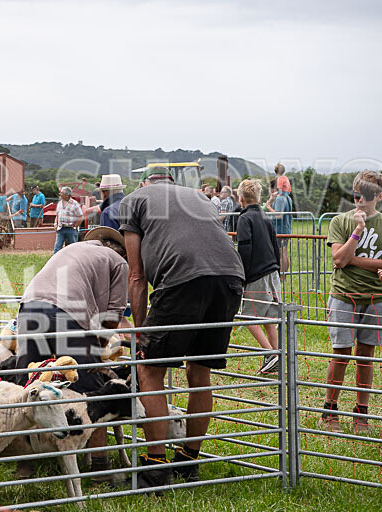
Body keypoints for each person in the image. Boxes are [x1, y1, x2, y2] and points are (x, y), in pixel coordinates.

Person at [119, 166, 244, 491]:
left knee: (149, 371)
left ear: (145, 183)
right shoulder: (201, 198)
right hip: (231, 278)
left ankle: (155, 467)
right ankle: (188, 459)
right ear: (173, 183)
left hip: (181, 280)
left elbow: (136, 275)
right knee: (199, 373)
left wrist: (140, 331)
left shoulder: (133, 199)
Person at [2, 227, 129, 479]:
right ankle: (100, 465)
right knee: (91, 386)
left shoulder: (70, 249)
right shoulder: (119, 263)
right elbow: (114, 316)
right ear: (121, 251)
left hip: (29, 308)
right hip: (68, 314)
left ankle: (24, 462)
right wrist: (101, 347)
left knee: (32, 383)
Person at [319, 170, 382, 434]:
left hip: (376, 298)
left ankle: (361, 414)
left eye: (368, 197)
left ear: (381, 196)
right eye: (358, 196)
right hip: (344, 295)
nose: (361, 202)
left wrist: (354, 260)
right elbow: (338, 260)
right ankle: (330, 411)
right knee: (341, 354)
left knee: (366, 356)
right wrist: (358, 231)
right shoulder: (340, 221)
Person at [236, 179, 282, 375]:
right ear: (259, 197)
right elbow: (275, 245)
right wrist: (277, 269)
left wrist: (242, 275)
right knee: (269, 317)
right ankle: (279, 356)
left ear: (240, 199)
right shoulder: (264, 216)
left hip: (256, 274)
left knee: (248, 317)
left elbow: (245, 249)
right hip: (272, 272)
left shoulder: (244, 219)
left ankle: (270, 354)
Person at [266, 180, 293, 281]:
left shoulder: (280, 199)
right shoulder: (288, 197)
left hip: (280, 229)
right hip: (286, 228)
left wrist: (269, 207)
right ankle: (283, 276)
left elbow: (278, 214)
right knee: (284, 252)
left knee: (282, 253)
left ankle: (282, 277)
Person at [53, 187, 83, 254]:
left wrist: (75, 226)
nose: (60, 194)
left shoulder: (75, 204)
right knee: (57, 248)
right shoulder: (60, 203)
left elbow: (81, 217)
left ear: (67, 195)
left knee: (73, 249)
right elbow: (57, 215)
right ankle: (55, 262)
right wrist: (55, 224)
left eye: (61, 193)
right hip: (60, 229)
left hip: (71, 229)